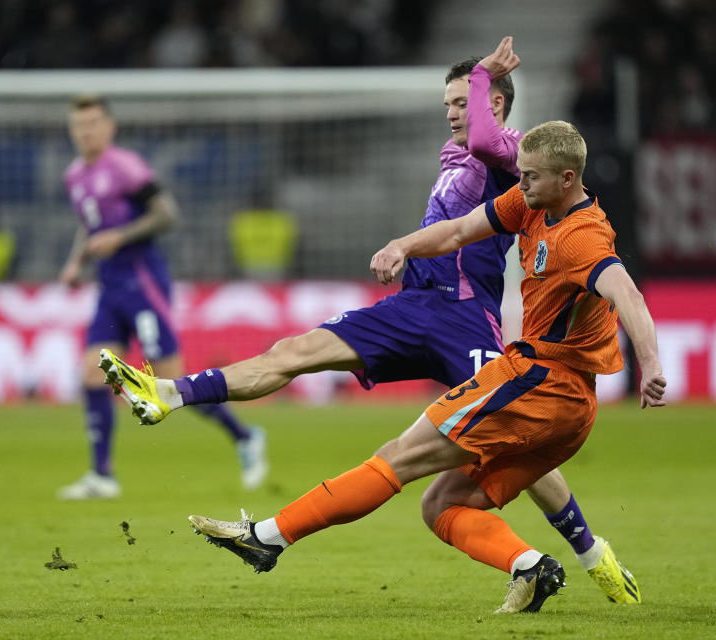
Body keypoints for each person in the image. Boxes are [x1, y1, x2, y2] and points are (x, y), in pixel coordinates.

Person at [99, 38, 642, 604]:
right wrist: (404, 247)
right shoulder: (456, 156)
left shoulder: (507, 151)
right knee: (295, 351)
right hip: (412, 306)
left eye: (463, 101)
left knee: (505, 444)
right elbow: (452, 222)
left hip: (465, 318)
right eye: (451, 103)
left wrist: (483, 75)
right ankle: (168, 393)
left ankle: (589, 553)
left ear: (494, 104)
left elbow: (481, 147)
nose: (453, 112)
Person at [187, 119, 666, 613]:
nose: (519, 184)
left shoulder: (581, 238)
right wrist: (402, 245)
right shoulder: (531, 203)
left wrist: (649, 363)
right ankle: (531, 568)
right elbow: (460, 230)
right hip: (568, 410)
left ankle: (267, 538)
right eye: (519, 174)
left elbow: (626, 293)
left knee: (399, 456)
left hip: (538, 382)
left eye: (531, 177)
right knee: (441, 506)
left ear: (568, 179)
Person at [56, 95, 267, 500]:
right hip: (109, 287)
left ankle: (245, 436)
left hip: (143, 285)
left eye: (93, 123)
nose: (86, 132)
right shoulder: (74, 177)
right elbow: (90, 225)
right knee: (90, 374)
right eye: (79, 125)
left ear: (109, 127)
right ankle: (102, 476)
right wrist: (75, 263)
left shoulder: (125, 167)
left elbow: (167, 214)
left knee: (169, 385)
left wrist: (121, 236)